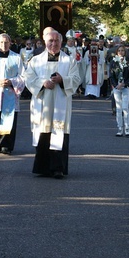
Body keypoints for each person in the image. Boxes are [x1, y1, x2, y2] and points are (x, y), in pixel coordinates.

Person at [23, 29, 82, 179]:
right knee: (43, 132)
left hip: (61, 102)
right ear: (45, 42)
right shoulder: (35, 60)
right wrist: (42, 83)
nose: (54, 43)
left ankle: (58, 168)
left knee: (59, 132)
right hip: (42, 103)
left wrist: (63, 80)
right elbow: (28, 78)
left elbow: (76, 79)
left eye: (56, 41)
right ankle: (42, 168)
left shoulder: (69, 60)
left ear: (61, 42)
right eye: (51, 41)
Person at [0, 33, 25, 155]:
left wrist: (12, 82)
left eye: (6, 42)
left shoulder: (17, 58)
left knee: (8, 119)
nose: (4, 44)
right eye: (1, 42)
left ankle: (5, 145)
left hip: (10, 93)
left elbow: (23, 76)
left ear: (10, 43)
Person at [109, 44, 129, 137]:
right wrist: (116, 85)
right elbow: (111, 75)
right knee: (119, 108)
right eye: (119, 51)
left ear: (125, 52)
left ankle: (127, 128)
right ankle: (120, 128)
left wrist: (125, 84)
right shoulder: (113, 62)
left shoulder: (128, 62)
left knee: (125, 108)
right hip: (117, 88)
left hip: (125, 87)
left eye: (122, 50)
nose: (121, 52)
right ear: (117, 52)